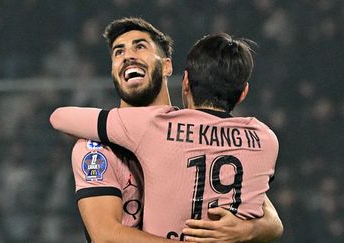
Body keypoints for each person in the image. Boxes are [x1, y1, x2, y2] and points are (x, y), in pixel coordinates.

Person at [59, 17, 283, 242]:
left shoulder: (190, 132)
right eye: (118, 52)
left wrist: (249, 229)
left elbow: (268, 214)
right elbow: (105, 236)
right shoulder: (95, 147)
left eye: (140, 46)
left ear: (168, 66)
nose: (127, 56)